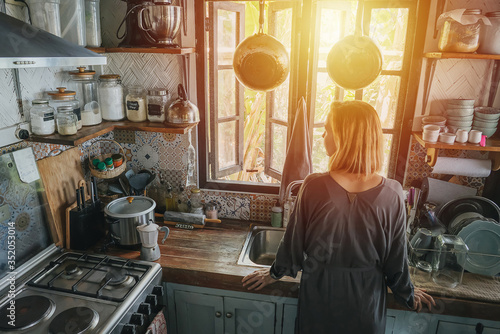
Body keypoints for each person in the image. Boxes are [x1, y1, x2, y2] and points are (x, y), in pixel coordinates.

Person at [242, 101, 435, 333]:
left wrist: (274, 273)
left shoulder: (314, 185)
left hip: (320, 296)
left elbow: (293, 243)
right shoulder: (393, 193)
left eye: (328, 129)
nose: (323, 134)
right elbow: (396, 260)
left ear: (344, 138)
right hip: (367, 303)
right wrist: (407, 293)